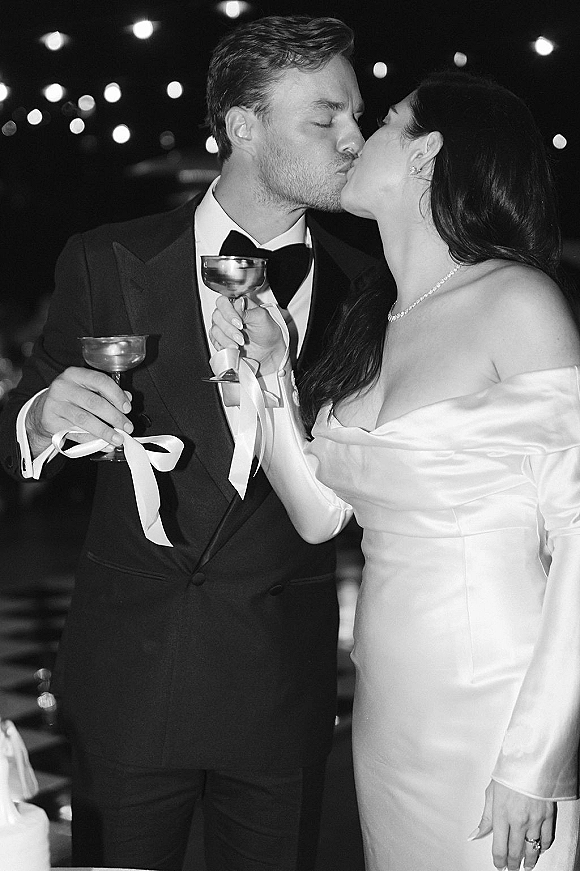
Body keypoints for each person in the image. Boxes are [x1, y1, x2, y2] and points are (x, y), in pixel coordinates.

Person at [0, 15, 390, 871]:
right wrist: (42, 417)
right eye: (325, 117)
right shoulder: (106, 258)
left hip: (280, 683)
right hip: (130, 679)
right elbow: (17, 421)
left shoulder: (370, 285)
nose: (354, 139)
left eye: (356, 115)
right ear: (243, 125)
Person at [211, 70, 580, 871]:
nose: (354, 139)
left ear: (425, 154)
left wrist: (538, 759)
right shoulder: (373, 319)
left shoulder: (518, 301)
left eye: (380, 122)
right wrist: (269, 377)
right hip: (387, 706)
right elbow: (319, 514)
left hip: (500, 707)